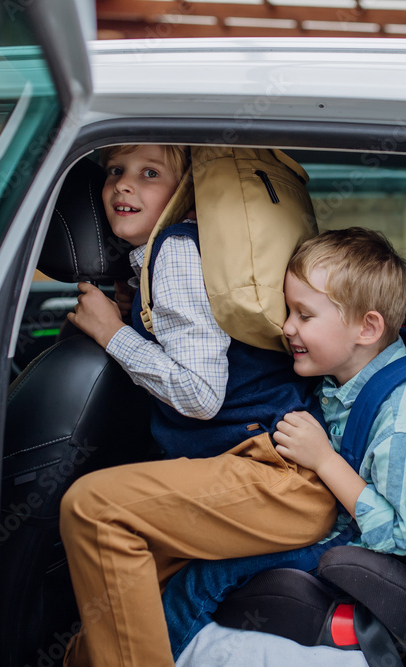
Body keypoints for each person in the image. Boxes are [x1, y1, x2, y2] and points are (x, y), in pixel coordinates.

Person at [59, 143, 337, 667]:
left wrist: (111, 332)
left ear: (183, 192)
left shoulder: (178, 252)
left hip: (275, 478)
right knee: (88, 648)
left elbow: (200, 395)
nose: (123, 184)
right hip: (250, 473)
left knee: (94, 509)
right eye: (115, 171)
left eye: (149, 173)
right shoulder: (158, 261)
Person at [164, 227, 406, 661]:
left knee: (203, 578)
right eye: (286, 310)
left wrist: (325, 460)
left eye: (304, 315)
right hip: (324, 518)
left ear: (367, 328)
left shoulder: (402, 416)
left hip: (354, 547)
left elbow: (400, 537)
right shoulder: (341, 379)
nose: (286, 327)